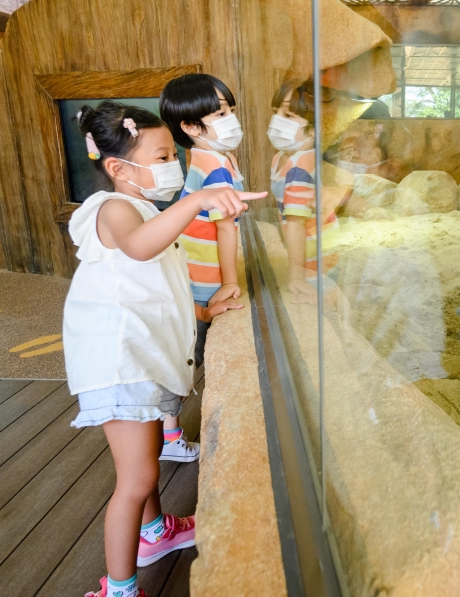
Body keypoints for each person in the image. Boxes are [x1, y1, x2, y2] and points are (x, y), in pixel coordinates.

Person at [66, 101, 265, 597]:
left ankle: (154, 536)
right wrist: (197, 201)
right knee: (134, 481)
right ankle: (120, 587)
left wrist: (202, 313)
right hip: (120, 363)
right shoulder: (114, 209)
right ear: (117, 168)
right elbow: (139, 248)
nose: (170, 164)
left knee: (149, 458)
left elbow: (155, 289)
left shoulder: (145, 209)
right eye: (159, 157)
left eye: (170, 155)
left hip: (144, 356)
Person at [159, 74, 246, 372]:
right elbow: (225, 227)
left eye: (231, 111)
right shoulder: (217, 166)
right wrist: (231, 281)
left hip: (195, 265)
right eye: (221, 113)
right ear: (191, 126)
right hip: (205, 276)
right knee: (194, 351)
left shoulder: (208, 154)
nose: (231, 119)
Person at [267, 81, 347, 300]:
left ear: (314, 127)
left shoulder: (300, 166)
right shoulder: (280, 158)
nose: (277, 122)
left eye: (289, 116)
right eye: (276, 113)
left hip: (317, 261)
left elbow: (296, 224)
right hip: (302, 251)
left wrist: (296, 276)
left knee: (322, 305)